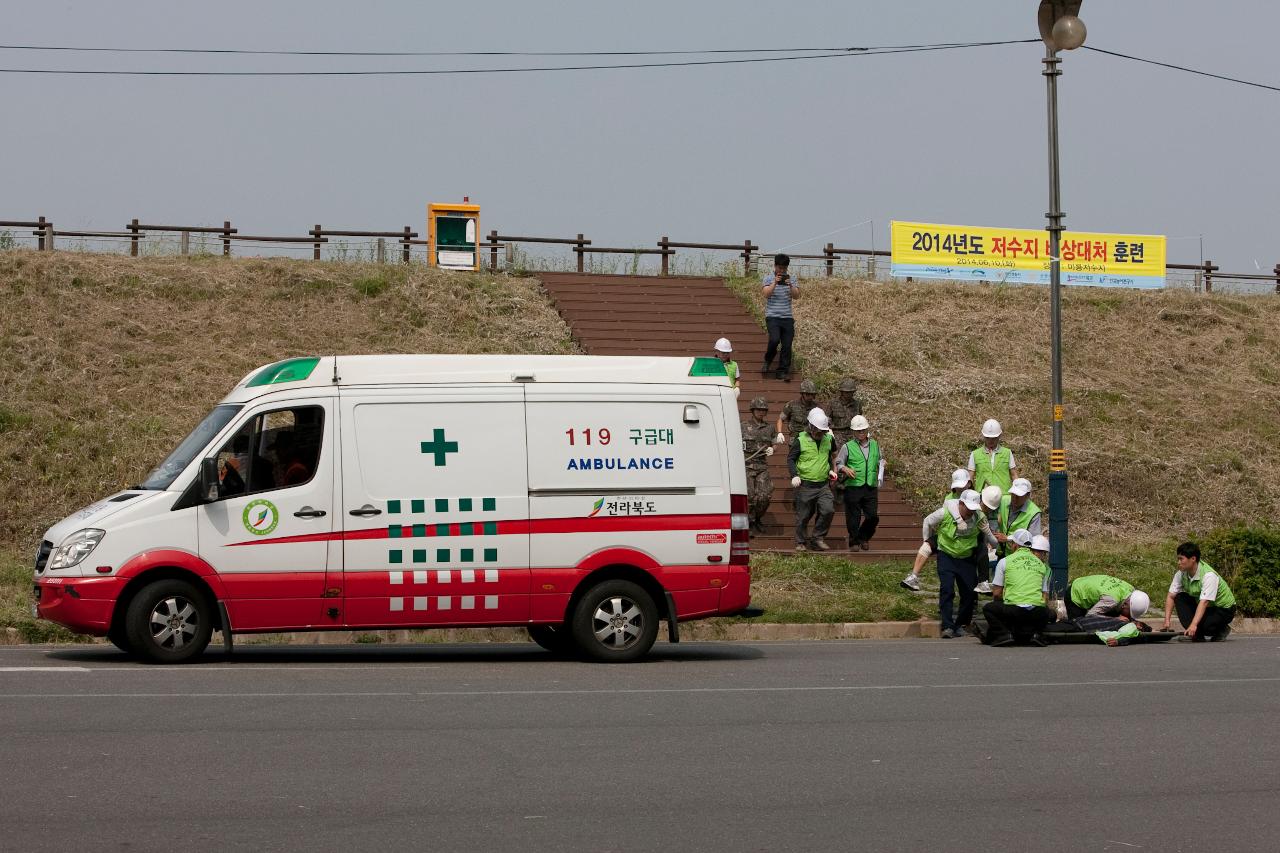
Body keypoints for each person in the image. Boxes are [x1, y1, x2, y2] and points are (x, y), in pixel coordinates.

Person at [928, 488, 993, 638]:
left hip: (967, 557)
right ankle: (947, 626)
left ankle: (961, 624)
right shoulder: (946, 512)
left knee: (970, 593)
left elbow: (987, 538)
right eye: (968, 508)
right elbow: (928, 522)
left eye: (973, 509)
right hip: (946, 555)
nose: (971, 512)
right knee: (947, 589)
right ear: (961, 504)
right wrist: (928, 541)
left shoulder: (979, 516)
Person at [900, 468, 975, 591]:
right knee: (926, 546)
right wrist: (927, 539)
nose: (960, 489)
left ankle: (982, 583)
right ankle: (913, 577)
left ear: (969, 483)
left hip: (968, 538)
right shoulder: (949, 498)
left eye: (963, 485)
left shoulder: (974, 497)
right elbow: (939, 518)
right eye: (957, 486)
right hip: (947, 535)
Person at [983, 533, 1052, 646]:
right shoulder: (1041, 565)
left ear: (1014, 545)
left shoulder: (1005, 561)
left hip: (1014, 610)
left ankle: (1004, 634)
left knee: (989, 608)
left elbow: (996, 594)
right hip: (1037, 612)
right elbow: (1044, 597)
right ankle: (1036, 634)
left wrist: (1008, 598)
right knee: (1050, 614)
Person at [1162, 541, 1237, 641]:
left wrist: (1193, 625)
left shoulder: (1209, 575)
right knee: (1180, 597)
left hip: (1223, 609)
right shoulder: (1181, 574)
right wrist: (1167, 621)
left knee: (1205, 627)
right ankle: (1196, 635)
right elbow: (1171, 596)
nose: (1178, 562)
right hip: (1206, 607)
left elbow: (1204, 602)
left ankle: (1222, 629)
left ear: (1193, 559)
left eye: (1181, 559)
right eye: (1178, 559)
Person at [787, 407, 836, 552]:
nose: (820, 434)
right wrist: (794, 475)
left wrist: (832, 469)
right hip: (805, 484)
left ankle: (818, 538)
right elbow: (791, 458)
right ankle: (801, 541)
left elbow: (832, 455)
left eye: (822, 431)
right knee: (803, 516)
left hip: (823, 485)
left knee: (828, 509)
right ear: (811, 427)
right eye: (817, 431)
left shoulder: (829, 439)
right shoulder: (800, 440)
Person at [835, 415, 882, 551]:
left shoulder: (875, 444)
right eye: (858, 431)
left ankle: (863, 536)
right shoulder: (847, 447)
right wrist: (845, 468)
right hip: (853, 485)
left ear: (867, 430)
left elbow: (879, 459)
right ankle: (854, 541)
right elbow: (839, 463)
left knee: (873, 516)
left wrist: (882, 463)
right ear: (853, 432)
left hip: (870, 486)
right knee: (853, 517)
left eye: (863, 430)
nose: (861, 433)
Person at [761, 253, 799, 381]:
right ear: (775, 266)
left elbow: (797, 295)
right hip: (773, 316)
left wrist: (790, 286)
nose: (782, 271)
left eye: (784, 268)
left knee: (787, 345)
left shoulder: (792, 279)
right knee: (774, 339)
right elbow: (766, 294)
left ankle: (782, 370)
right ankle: (768, 360)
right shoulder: (768, 278)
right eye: (780, 268)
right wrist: (775, 283)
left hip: (787, 317)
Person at [741, 397, 775, 533]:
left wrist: (773, 449)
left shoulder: (769, 428)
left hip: (761, 466)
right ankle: (749, 522)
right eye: (758, 409)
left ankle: (756, 518)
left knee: (764, 496)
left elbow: (775, 444)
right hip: (746, 465)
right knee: (749, 496)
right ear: (752, 410)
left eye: (764, 410)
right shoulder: (742, 426)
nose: (761, 412)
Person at [1066, 575, 1150, 623]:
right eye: (1129, 614)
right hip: (1076, 592)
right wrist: (1115, 619)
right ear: (1124, 605)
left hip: (1086, 582)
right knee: (1079, 625)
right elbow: (1091, 615)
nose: (1129, 616)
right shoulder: (1111, 600)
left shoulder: (1130, 589)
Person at [969, 418, 1019, 495]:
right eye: (988, 438)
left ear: (999, 436)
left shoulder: (1007, 453)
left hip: (1004, 496)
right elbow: (970, 477)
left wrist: (1017, 492)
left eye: (994, 438)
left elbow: (1014, 475)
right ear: (983, 436)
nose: (990, 441)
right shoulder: (975, 454)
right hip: (983, 496)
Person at [974, 484, 1004, 596]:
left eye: (988, 508)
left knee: (983, 551)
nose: (985, 509)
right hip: (967, 542)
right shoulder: (972, 504)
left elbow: (995, 543)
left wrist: (987, 531)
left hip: (986, 545)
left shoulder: (998, 512)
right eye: (985, 506)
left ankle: (985, 582)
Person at [776, 380, 821, 445]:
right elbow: (780, 419)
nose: (810, 397)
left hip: (811, 440)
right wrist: (779, 433)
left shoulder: (817, 406)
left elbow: (823, 421)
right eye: (808, 394)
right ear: (802, 394)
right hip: (795, 439)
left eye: (812, 394)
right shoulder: (791, 405)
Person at [828, 378, 863, 451]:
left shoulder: (857, 404)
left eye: (850, 392)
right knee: (839, 451)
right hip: (838, 432)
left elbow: (860, 419)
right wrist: (831, 431)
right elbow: (827, 419)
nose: (848, 394)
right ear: (842, 392)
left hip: (853, 432)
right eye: (846, 392)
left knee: (857, 451)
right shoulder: (833, 404)